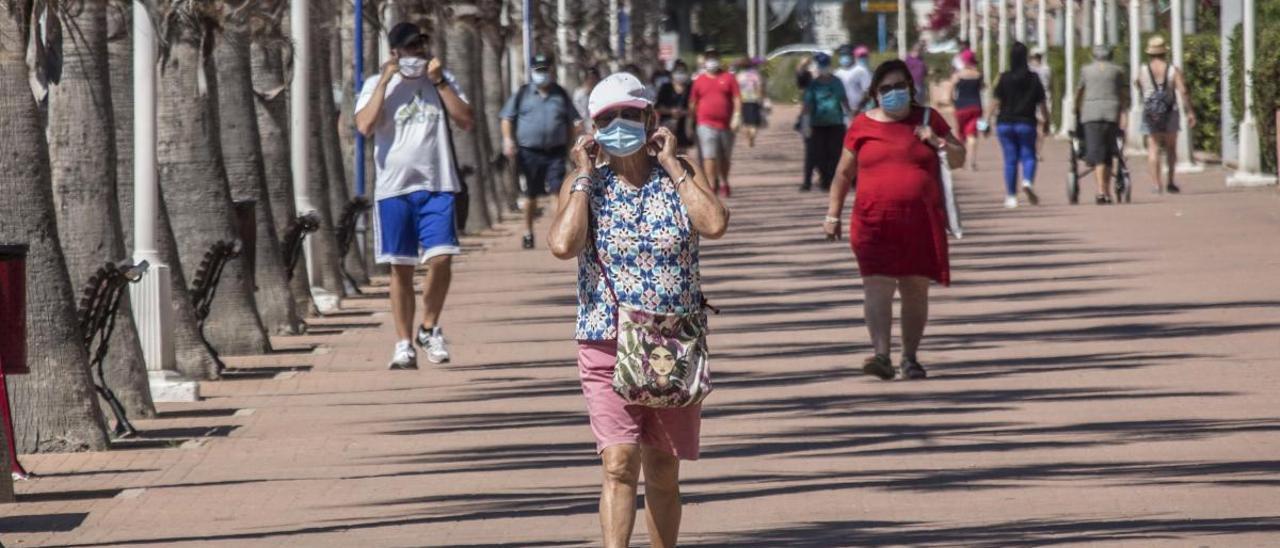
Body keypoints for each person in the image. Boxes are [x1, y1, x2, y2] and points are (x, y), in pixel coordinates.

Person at [546, 71, 730, 548]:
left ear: (651, 118)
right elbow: (563, 245)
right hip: (606, 339)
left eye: (632, 114)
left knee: (664, 469)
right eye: (610, 117)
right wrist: (584, 176)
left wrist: (671, 164)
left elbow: (713, 224)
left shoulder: (682, 171)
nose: (622, 124)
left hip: (673, 342)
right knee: (619, 462)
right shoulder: (584, 184)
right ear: (593, 128)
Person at [824, 60, 965, 381]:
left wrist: (937, 141)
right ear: (875, 93)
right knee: (877, 285)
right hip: (873, 221)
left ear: (910, 89)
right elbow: (843, 174)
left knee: (915, 288)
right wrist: (833, 214)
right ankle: (882, 355)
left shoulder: (929, 119)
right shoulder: (861, 126)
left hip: (920, 221)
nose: (893, 93)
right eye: (885, 88)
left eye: (899, 86)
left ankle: (910, 358)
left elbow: (958, 160)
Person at [354, 22, 474, 369]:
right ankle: (404, 342)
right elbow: (364, 126)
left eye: (421, 46)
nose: (417, 54)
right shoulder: (377, 85)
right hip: (394, 189)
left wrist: (439, 82)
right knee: (401, 268)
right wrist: (386, 80)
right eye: (409, 49)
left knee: (442, 258)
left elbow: (466, 119)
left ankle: (429, 326)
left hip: (437, 185)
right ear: (394, 53)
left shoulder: (442, 80)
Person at [501, 53, 581, 249]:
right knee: (531, 195)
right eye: (538, 71)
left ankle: (558, 231)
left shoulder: (560, 94)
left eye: (545, 70)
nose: (542, 74)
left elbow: (573, 121)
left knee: (557, 191)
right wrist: (508, 140)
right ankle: (528, 232)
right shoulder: (522, 95)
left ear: (551, 71)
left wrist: (571, 144)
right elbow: (506, 118)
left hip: (555, 151)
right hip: (529, 152)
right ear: (532, 72)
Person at [988, 42, 1050, 208]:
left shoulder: (1004, 77)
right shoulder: (1033, 78)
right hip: (1026, 122)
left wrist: (986, 119)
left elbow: (996, 100)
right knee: (1029, 154)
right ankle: (1027, 181)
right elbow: (1042, 103)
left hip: (1005, 123)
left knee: (1010, 159)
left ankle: (1011, 196)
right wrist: (1046, 120)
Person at [1137, 35, 1196, 194]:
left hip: (1151, 112)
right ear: (1164, 52)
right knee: (1171, 148)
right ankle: (1170, 181)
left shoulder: (1143, 70)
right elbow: (1182, 90)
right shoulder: (1172, 70)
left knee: (1153, 147)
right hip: (1170, 111)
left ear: (1150, 53)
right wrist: (1189, 111)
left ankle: (1156, 184)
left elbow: (1138, 85)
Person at [1075, 45, 1130, 204]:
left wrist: (1075, 107)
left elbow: (1080, 90)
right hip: (1111, 113)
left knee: (1097, 152)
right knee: (1107, 153)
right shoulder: (1117, 71)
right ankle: (1105, 190)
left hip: (1091, 114)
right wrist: (1124, 109)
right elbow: (1123, 92)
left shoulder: (1086, 70)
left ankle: (1101, 191)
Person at [689, 46, 741, 197]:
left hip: (726, 125)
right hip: (705, 123)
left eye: (714, 57)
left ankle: (724, 180)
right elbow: (693, 102)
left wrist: (737, 115)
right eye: (709, 58)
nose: (712, 61)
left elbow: (736, 98)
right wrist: (690, 121)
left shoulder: (729, 78)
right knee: (709, 155)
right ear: (705, 61)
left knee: (724, 156)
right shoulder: (699, 80)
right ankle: (712, 185)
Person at [800, 53, 850, 192]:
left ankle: (831, 180)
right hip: (817, 124)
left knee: (835, 153)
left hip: (836, 123)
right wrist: (805, 121)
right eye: (820, 65)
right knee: (819, 154)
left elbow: (843, 100)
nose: (823, 68)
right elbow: (808, 104)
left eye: (825, 65)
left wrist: (850, 117)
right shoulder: (813, 85)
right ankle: (824, 178)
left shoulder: (837, 82)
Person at [948, 49, 984, 170]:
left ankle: (961, 160)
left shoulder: (958, 75)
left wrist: (951, 101)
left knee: (961, 134)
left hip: (961, 107)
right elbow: (982, 88)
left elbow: (950, 90)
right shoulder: (978, 74)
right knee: (972, 134)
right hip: (976, 107)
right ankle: (972, 161)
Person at [655, 59, 694, 152]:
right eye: (678, 71)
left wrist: (684, 112)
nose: (680, 74)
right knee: (667, 152)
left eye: (683, 71)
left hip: (684, 127)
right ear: (672, 73)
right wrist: (671, 111)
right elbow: (658, 107)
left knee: (682, 155)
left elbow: (695, 106)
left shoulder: (691, 87)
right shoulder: (665, 87)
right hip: (667, 125)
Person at [795, 55, 821, 191]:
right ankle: (808, 180)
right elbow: (800, 79)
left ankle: (823, 176)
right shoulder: (807, 79)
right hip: (809, 117)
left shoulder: (829, 80)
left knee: (826, 150)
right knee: (810, 149)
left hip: (826, 118)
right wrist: (802, 65)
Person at [736, 57, 766, 147]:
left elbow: (736, 89)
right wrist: (761, 98)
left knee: (745, 122)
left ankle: (748, 137)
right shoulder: (756, 75)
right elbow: (759, 87)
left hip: (743, 100)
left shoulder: (739, 76)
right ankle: (752, 136)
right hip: (754, 100)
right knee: (754, 123)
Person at [835, 45, 873, 114]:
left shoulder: (861, 70)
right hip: (844, 112)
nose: (845, 57)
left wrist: (858, 109)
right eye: (842, 55)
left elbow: (867, 92)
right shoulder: (837, 73)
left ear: (852, 55)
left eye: (847, 54)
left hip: (861, 111)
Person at [1030, 48, 1053, 159]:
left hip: (1031, 98)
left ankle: (1034, 151)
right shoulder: (1046, 69)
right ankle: (1037, 152)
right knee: (1041, 126)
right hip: (1043, 98)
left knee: (1034, 126)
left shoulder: (1029, 69)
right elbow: (1050, 84)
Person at [574, 65, 602, 130]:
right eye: (590, 78)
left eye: (594, 78)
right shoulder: (578, 94)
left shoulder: (602, 94)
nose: (592, 81)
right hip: (583, 130)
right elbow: (577, 115)